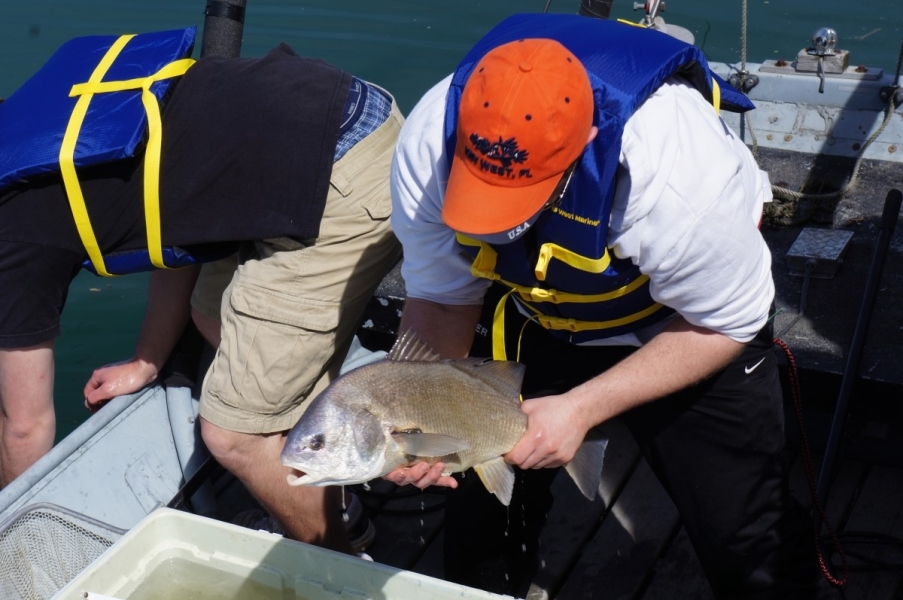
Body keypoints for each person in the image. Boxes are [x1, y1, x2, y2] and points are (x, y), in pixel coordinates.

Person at [384, 13, 839, 599]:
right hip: (537, 313)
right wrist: (422, 416)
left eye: (518, 197)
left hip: (681, 326)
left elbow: (729, 320)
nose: (500, 224)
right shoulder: (428, 142)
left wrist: (579, 408)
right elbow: (444, 301)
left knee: (750, 539)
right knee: (477, 526)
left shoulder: (678, 176)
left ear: (588, 139)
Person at [0, 37, 401, 554]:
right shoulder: (29, 125)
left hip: (342, 177)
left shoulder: (13, 237)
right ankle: (322, 472)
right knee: (213, 321)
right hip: (330, 108)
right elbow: (172, 227)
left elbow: (24, 429)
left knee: (232, 434)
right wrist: (148, 360)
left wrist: (12, 539)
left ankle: (343, 561)